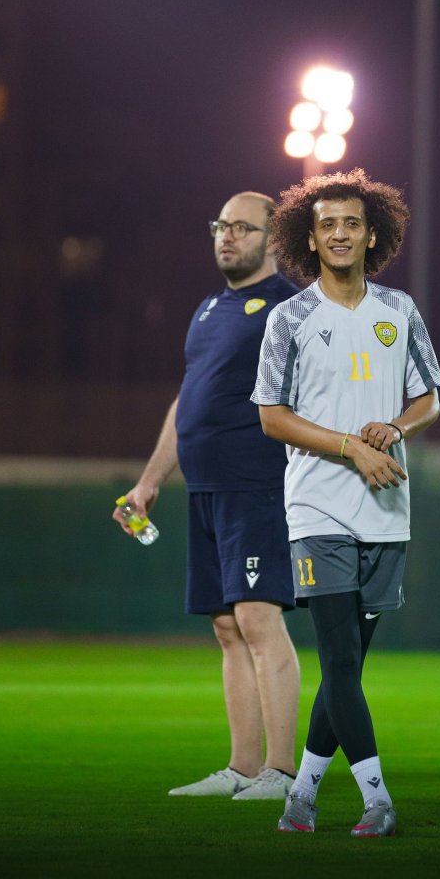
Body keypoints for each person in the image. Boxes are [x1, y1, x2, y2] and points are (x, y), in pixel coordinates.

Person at [251, 169, 440, 836]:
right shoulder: (290, 319)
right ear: (310, 235)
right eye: (328, 223)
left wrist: (395, 428)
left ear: (372, 236)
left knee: (347, 669)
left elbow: (429, 399)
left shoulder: (401, 312)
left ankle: (301, 795)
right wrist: (349, 447)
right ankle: (377, 800)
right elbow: (272, 417)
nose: (339, 232)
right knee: (336, 660)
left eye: (352, 223)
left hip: (387, 509)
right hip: (317, 508)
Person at [114, 192, 300, 801]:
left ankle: (282, 773)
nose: (227, 237)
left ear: (274, 240)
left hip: (256, 485)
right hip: (204, 490)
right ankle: (243, 768)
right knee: (226, 626)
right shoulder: (207, 310)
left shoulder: (290, 309)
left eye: (242, 228)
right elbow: (187, 402)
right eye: (221, 226)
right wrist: (148, 483)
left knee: (257, 616)